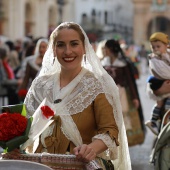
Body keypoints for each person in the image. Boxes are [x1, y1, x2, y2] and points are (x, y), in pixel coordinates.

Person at [11, 22, 131, 169]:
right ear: (53, 50)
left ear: (84, 48)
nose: (67, 51)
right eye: (60, 45)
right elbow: (25, 126)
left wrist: (91, 148)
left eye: (74, 44)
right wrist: (14, 144)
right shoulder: (41, 85)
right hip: (39, 165)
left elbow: (110, 131)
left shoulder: (97, 85)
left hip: (79, 165)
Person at [100, 39, 145, 146]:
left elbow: (130, 82)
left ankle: (123, 141)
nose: (104, 50)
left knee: (123, 117)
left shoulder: (123, 64)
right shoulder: (103, 63)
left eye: (105, 48)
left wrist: (134, 98)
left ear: (110, 49)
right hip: (107, 94)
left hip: (122, 93)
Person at [145, 32, 170, 134]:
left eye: (158, 46)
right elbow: (164, 73)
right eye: (153, 47)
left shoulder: (167, 54)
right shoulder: (154, 58)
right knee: (163, 105)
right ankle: (155, 122)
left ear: (166, 45)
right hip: (161, 83)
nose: (155, 49)